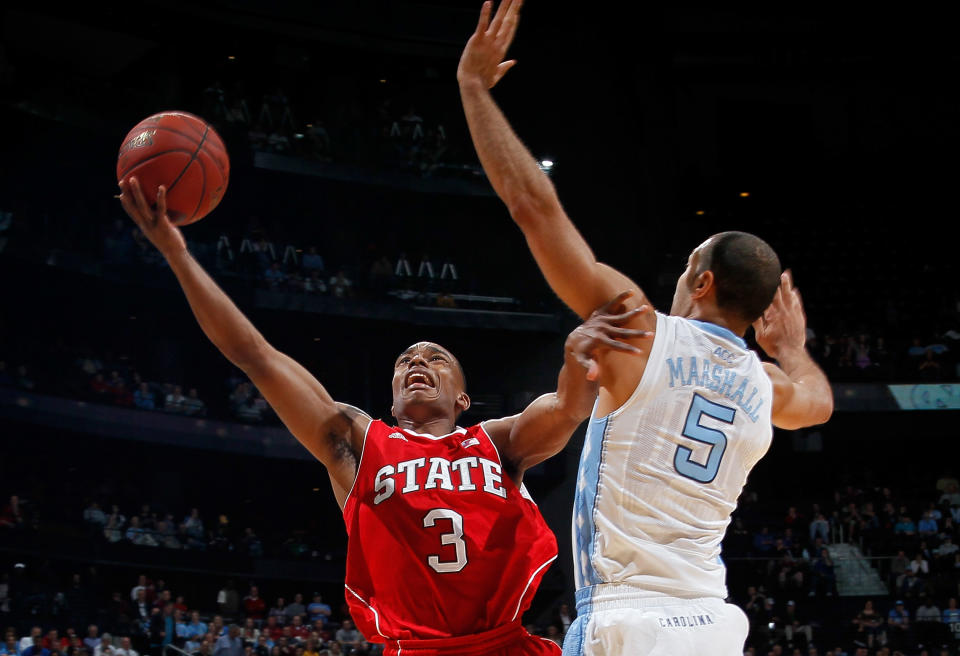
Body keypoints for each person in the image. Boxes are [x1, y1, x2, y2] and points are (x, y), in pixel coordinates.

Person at [116, 176, 649, 655]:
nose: (417, 362)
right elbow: (255, 355)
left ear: (463, 399)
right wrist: (177, 253)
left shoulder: (496, 442)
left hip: (504, 644)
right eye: (404, 361)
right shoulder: (357, 440)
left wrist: (582, 355)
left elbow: (565, 408)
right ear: (391, 397)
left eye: (435, 358)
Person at [456, 2, 835, 654]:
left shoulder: (639, 331)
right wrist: (793, 350)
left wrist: (472, 90)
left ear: (705, 282)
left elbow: (533, 208)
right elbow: (820, 403)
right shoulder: (768, 386)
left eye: (691, 266)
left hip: (628, 622)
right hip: (714, 626)